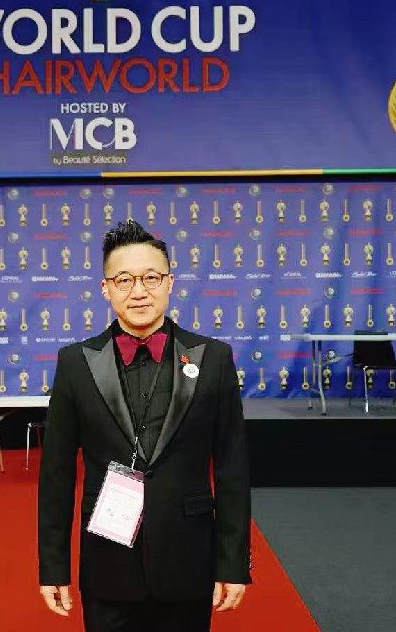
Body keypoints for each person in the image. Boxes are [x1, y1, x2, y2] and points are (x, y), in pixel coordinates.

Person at [38, 220, 251, 631]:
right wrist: (53, 568)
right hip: (107, 560)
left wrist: (233, 563)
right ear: (106, 289)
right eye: (124, 280)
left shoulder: (213, 359)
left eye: (151, 278)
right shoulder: (75, 364)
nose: (139, 291)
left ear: (170, 283)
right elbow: (56, 476)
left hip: (188, 559)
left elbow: (233, 469)